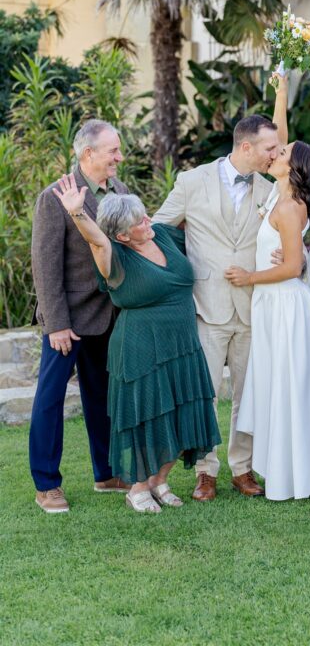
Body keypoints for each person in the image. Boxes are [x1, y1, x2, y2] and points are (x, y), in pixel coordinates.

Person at [51, 177, 221, 512]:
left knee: (182, 410)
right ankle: (138, 487)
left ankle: (160, 481)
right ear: (122, 236)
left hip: (182, 344)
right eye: (139, 222)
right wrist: (78, 214)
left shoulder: (167, 237)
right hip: (142, 346)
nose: (148, 222)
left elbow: (205, 229)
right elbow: (98, 243)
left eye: (144, 215)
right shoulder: (115, 259)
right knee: (148, 416)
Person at [152, 93, 284, 501]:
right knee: (204, 393)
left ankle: (242, 469)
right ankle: (205, 470)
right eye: (269, 148)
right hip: (205, 307)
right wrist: (180, 275)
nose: (274, 154)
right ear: (246, 147)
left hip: (252, 306)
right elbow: (157, 230)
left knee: (249, 393)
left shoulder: (272, 189)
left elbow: (285, 234)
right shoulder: (192, 182)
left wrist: (278, 252)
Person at [226, 135, 310, 508]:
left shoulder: (290, 207)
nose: (275, 153)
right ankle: (290, 471)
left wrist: (249, 277)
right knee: (280, 390)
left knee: (301, 392)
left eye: (283, 152)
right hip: (273, 308)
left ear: (295, 168)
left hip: (288, 307)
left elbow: (292, 267)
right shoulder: (277, 195)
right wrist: (280, 86)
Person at [29, 120, 130, 514]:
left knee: (103, 398)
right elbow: (45, 265)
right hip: (67, 320)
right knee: (50, 400)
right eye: (113, 151)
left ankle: (105, 473)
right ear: (88, 154)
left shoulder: (120, 192)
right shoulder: (55, 196)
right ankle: (47, 484)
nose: (119, 157)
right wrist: (55, 323)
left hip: (108, 316)